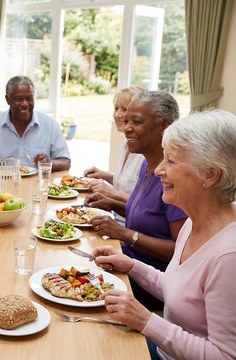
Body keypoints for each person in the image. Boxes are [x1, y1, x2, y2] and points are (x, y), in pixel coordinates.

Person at [93, 109, 236, 360]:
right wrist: (132, 266)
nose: (158, 170)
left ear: (210, 175)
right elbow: (178, 291)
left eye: (170, 161)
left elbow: (225, 355)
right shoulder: (194, 221)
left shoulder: (229, 256)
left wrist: (146, 320)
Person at [85, 91, 187, 309]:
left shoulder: (174, 178)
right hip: (127, 261)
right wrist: (112, 204)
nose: (127, 127)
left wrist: (124, 234)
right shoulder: (146, 164)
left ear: (165, 127)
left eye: (137, 122)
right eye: (127, 120)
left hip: (152, 282)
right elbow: (148, 215)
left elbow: (181, 251)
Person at [0, 76, 70, 170]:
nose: (25, 104)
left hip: (38, 183)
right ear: (7, 99)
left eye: (29, 99)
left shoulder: (50, 125)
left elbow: (65, 162)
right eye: (19, 99)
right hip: (3, 183)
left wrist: (49, 164)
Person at [83, 86, 146, 224]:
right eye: (116, 108)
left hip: (128, 226)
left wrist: (111, 192)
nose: (118, 114)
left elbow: (146, 207)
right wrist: (104, 175)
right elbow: (128, 182)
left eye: (124, 109)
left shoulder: (146, 154)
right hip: (114, 217)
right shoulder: (126, 144)